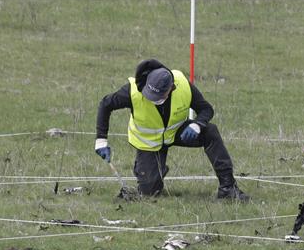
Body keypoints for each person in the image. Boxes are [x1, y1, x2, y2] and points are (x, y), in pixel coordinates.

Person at [95, 58, 249, 200]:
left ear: (171, 88)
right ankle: (155, 172)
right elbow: (105, 104)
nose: (152, 99)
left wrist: (197, 124)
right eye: (150, 95)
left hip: (177, 133)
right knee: (150, 192)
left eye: (158, 97)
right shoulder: (132, 91)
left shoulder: (183, 85)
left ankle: (228, 188)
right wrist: (101, 140)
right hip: (149, 143)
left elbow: (206, 109)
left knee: (210, 131)